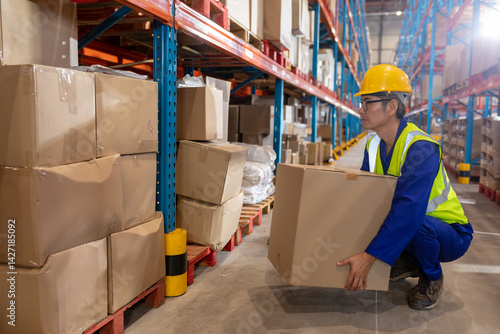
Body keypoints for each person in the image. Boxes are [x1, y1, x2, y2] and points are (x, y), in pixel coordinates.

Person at [336, 64, 473, 311]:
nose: (361, 109)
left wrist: (369, 258)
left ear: (391, 106)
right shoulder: (373, 145)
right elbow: (366, 197)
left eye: (368, 102)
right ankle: (408, 258)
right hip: (415, 226)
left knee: (413, 221)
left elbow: (409, 211)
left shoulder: (421, 148)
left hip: (447, 232)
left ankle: (431, 277)